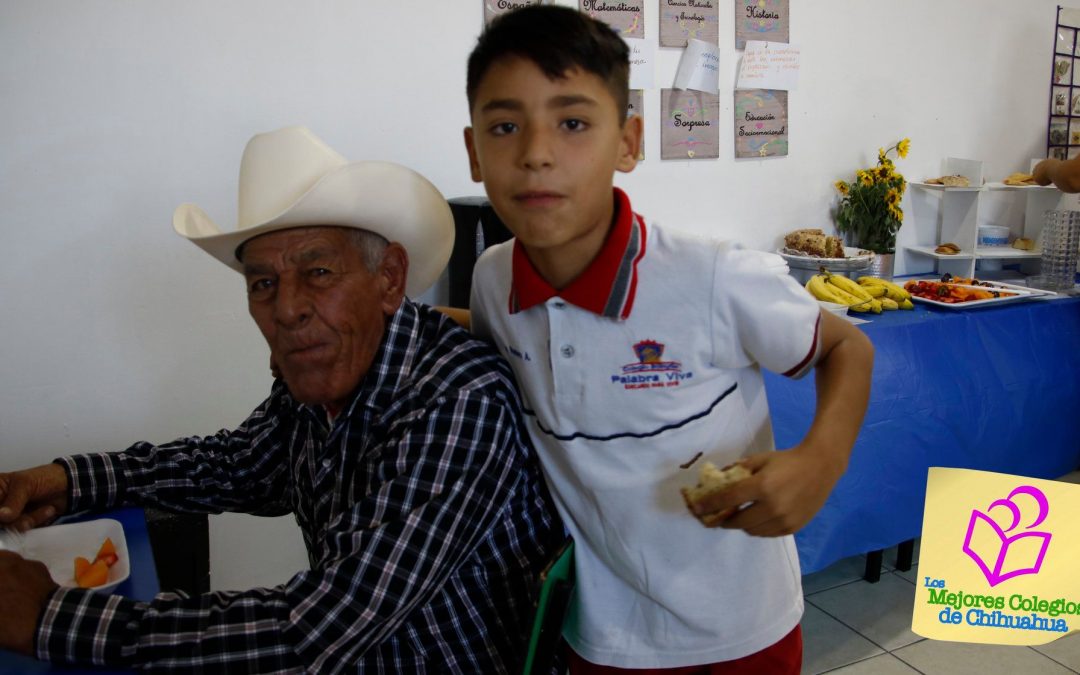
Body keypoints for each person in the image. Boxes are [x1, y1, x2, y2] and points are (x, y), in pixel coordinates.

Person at [0, 126, 563, 673]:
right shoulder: (322, 377)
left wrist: (52, 619)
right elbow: (240, 464)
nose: (287, 309)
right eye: (262, 283)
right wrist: (69, 479)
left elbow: (321, 623)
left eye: (318, 272)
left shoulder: (460, 401)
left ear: (389, 278)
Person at [459, 7, 874, 673]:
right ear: (474, 151)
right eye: (505, 126)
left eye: (572, 123)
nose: (536, 152)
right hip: (595, 631)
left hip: (740, 633)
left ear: (628, 141)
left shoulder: (710, 275)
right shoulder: (491, 282)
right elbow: (488, 358)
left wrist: (821, 460)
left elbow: (848, 346)